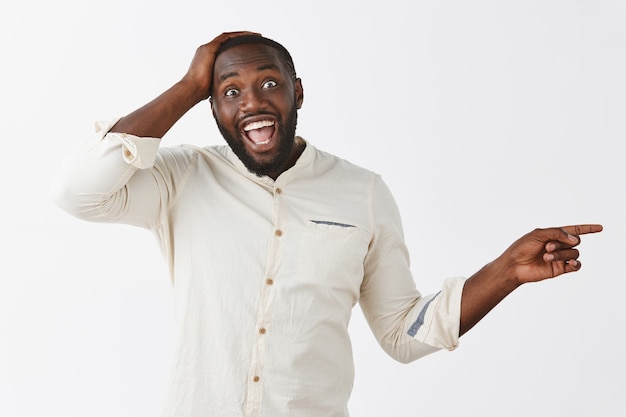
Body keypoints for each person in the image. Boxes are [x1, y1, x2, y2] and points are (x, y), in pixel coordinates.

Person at [51, 31, 603, 417]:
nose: (252, 102)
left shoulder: (362, 193)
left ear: (298, 91)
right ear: (213, 107)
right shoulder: (182, 178)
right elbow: (79, 191)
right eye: (229, 92)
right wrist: (189, 84)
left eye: (269, 83)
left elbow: (403, 333)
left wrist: (506, 270)